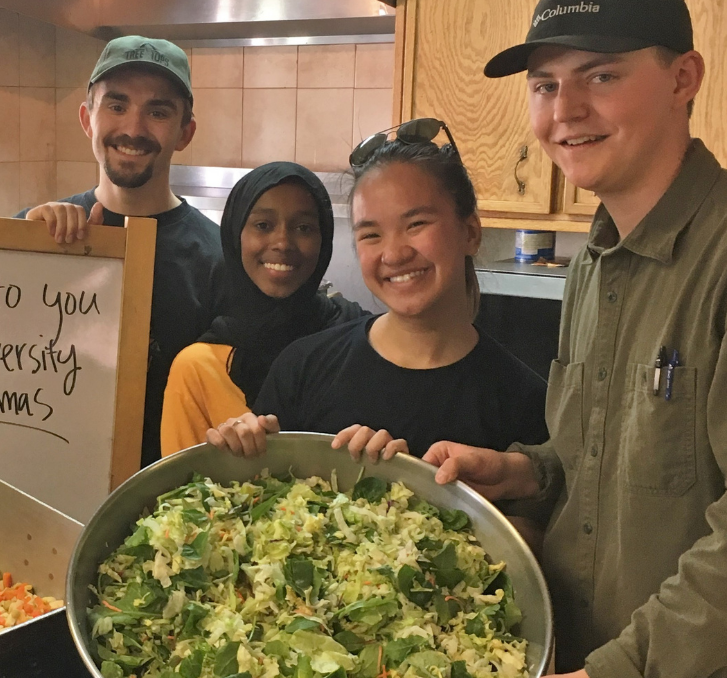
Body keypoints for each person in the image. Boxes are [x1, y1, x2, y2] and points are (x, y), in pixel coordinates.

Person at [421, 0, 727, 678]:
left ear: (685, 78)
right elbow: (601, 461)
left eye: (600, 75)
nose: (564, 110)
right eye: (545, 85)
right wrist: (525, 472)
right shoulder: (593, 262)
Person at [207, 130, 548, 464]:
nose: (394, 254)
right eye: (371, 234)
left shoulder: (524, 401)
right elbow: (258, 501)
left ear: (470, 233)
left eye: (416, 224)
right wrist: (239, 449)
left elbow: (528, 520)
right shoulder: (302, 367)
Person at [17, 36, 223, 466]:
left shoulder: (220, 259)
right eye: (116, 105)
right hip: (45, 488)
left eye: (158, 112)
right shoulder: (32, 233)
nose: (133, 128)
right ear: (87, 118)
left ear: (185, 132)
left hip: (172, 509)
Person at [160, 162, 366, 456]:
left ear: (324, 240)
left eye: (304, 228)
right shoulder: (198, 369)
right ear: (235, 235)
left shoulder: (355, 339)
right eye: (263, 226)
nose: (282, 242)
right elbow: (180, 491)